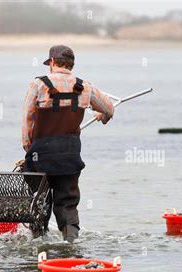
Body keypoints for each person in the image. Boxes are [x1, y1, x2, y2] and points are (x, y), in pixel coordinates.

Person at [21, 45, 114, 242]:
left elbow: (27, 121)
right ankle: (71, 244)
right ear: (72, 65)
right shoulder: (85, 86)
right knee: (67, 203)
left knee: (39, 201)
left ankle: (39, 245)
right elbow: (109, 109)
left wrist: (29, 150)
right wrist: (101, 115)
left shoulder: (37, 85)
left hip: (40, 156)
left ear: (52, 63)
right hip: (70, 156)